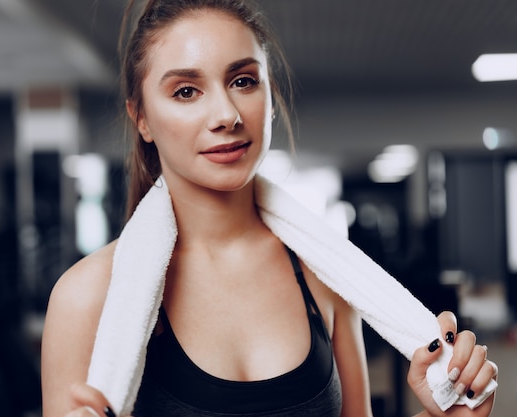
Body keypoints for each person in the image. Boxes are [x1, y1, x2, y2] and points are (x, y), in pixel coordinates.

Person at [41, 1, 498, 416]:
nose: (226, 114)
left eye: (243, 81)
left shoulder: (325, 273)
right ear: (141, 118)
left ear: (269, 97)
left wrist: (455, 415)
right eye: (185, 91)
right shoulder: (87, 299)